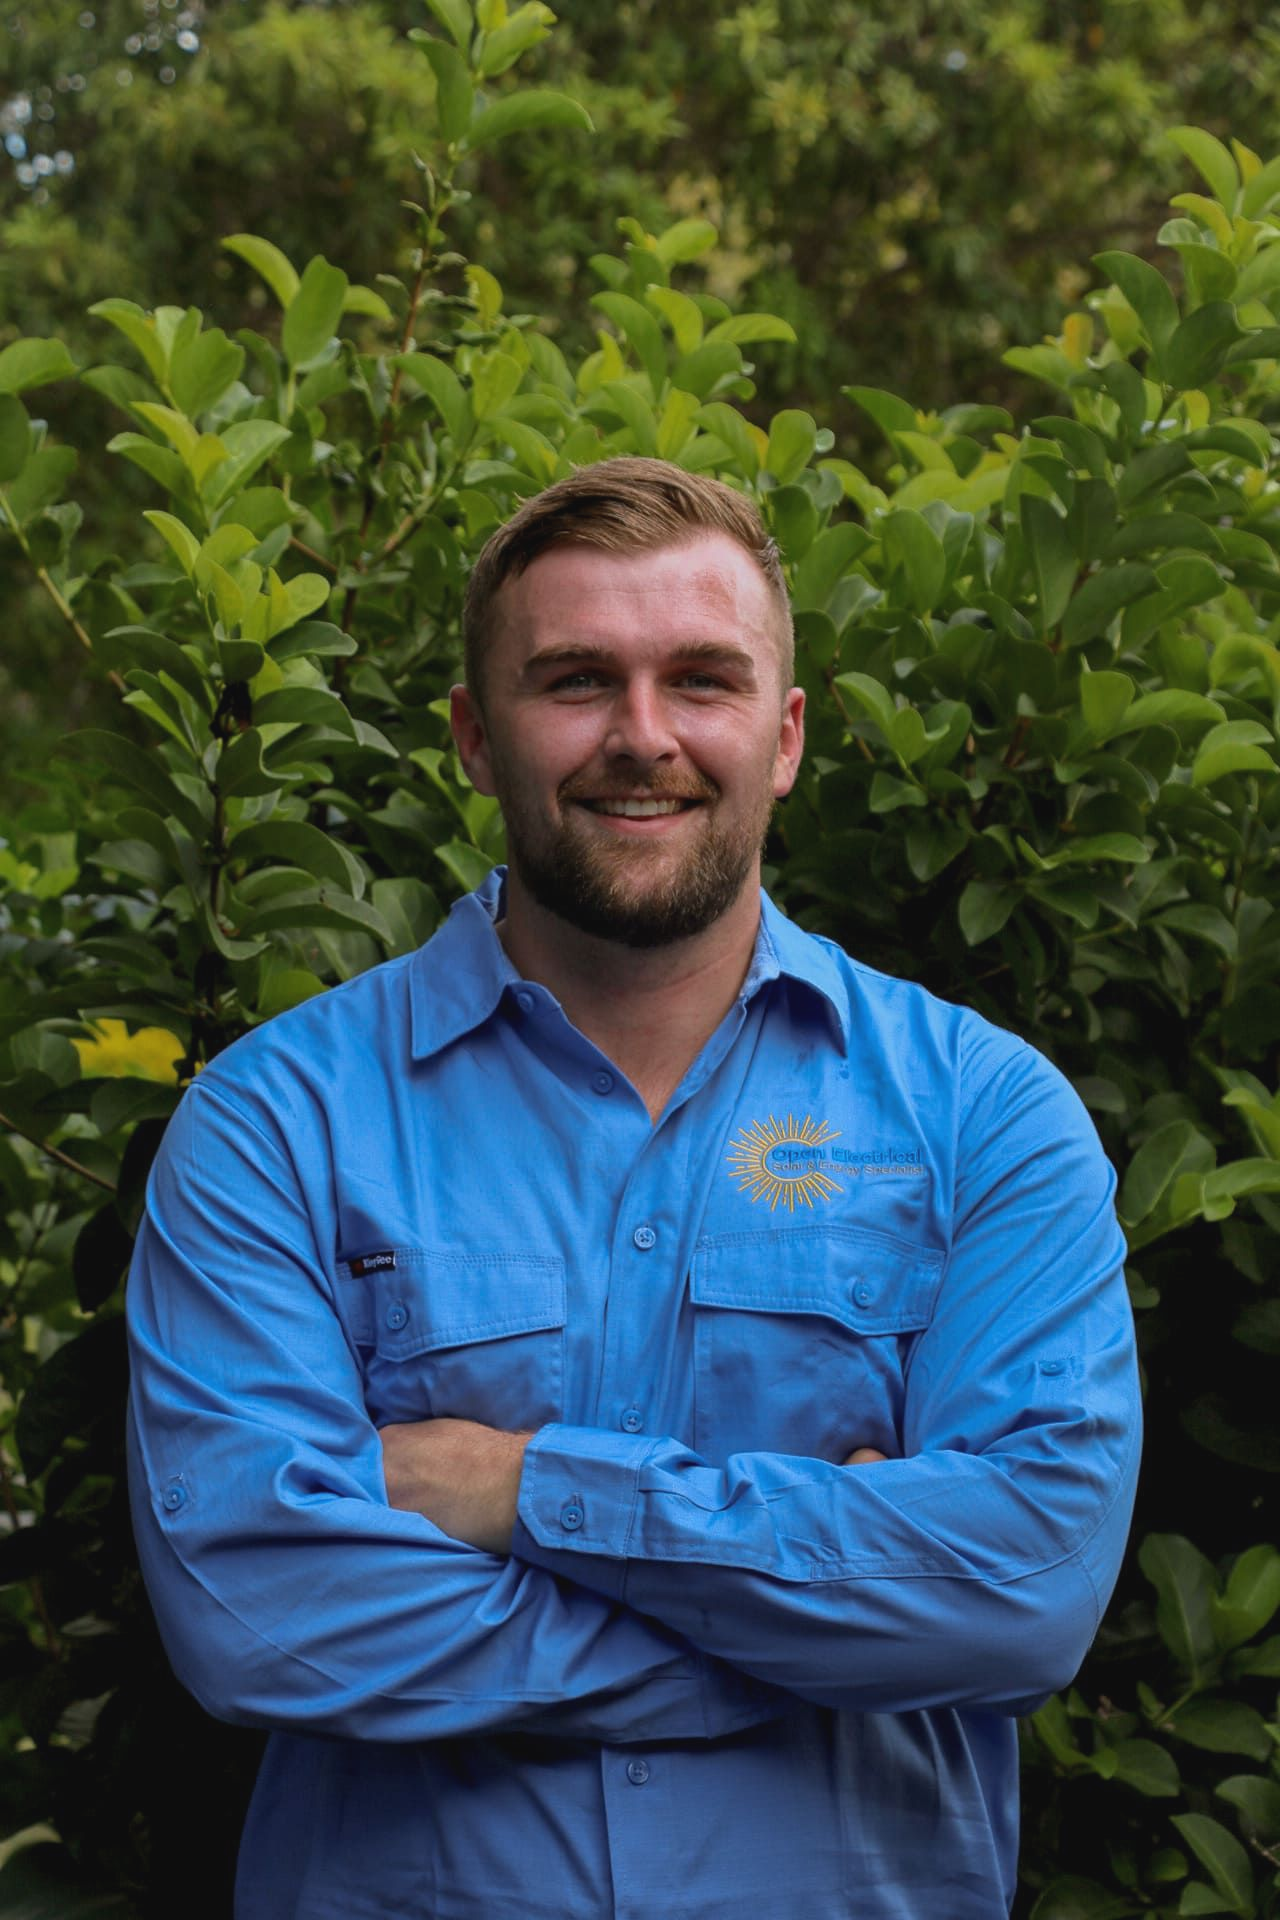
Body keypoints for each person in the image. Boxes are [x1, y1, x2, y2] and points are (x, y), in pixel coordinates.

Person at [126, 457, 1141, 1920]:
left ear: (785, 737)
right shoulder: (273, 1127)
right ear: (476, 738)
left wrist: (520, 1488)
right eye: (577, 681)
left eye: (703, 681)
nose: (644, 736)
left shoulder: (986, 1118)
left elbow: (1023, 1592)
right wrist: (828, 1617)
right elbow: (259, 1615)